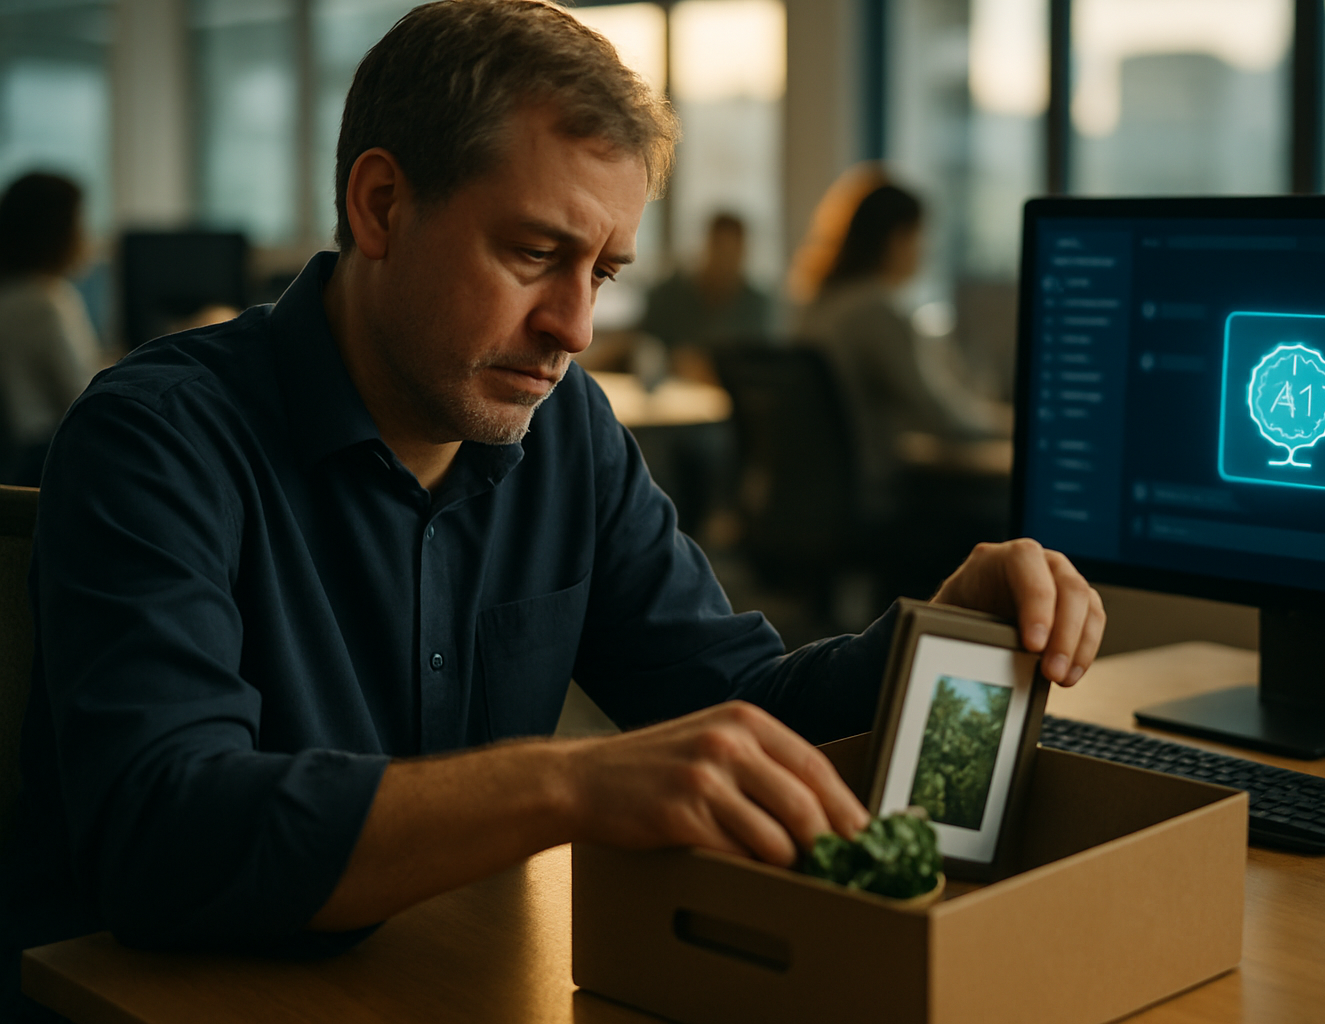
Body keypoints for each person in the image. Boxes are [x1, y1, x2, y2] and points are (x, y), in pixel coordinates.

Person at [2, 2, 1104, 1015]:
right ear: (381, 205)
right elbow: (165, 836)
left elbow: (738, 708)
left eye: (604, 273)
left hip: (444, 983)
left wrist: (934, 637)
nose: (574, 328)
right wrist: (569, 784)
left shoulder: (565, 428)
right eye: (535, 254)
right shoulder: (156, 438)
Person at [795, 183, 1009, 519]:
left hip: (817, 496)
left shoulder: (820, 305)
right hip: (878, 497)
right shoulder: (876, 312)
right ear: (898, 238)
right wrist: (1011, 425)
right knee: (998, 508)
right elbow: (940, 415)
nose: (925, 251)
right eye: (921, 237)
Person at [0, 172, 100, 485]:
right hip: (44, 463)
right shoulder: (47, 301)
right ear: (59, 232)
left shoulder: (10, 294)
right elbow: (86, 397)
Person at [639, 211, 771, 370]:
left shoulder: (756, 306)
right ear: (707, 247)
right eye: (720, 250)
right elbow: (643, 346)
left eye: (732, 252)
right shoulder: (668, 296)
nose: (725, 262)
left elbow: (762, 362)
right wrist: (675, 360)